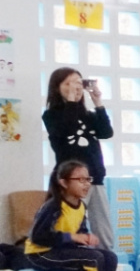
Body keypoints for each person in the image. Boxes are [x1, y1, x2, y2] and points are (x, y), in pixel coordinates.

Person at [25, 159, 119, 271]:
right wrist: (71, 237)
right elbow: (38, 236)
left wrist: (86, 237)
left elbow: (79, 231)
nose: (86, 184)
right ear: (63, 182)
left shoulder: (81, 206)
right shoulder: (54, 206)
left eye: (88, 179)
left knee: (110, 257)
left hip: (61, 251)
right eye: (81, 180)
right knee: (93, 259)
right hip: (41, 254)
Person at [42, 68, 116, 246]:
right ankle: (72, 256)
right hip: (71, 179)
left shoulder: (88, 115)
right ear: (57, 88)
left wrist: (97, 102)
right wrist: (71, 101)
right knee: (71, 225)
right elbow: (67, 128)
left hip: (94, 176)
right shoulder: (51, 115)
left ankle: (106, 257)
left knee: (103, 229)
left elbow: (106, 132)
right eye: (67, 84)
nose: (74, 88)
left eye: (77, 83)